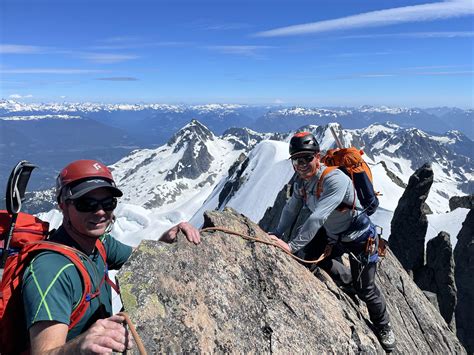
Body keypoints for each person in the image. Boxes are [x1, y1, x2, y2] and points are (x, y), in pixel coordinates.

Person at [22, 159, 201, 354]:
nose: (100, 212)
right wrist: (80, 345)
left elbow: (141, 260)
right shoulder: (51, 270)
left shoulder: (100, 244)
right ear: (62, 205)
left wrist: (166, 241)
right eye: (86, 203)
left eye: (108, 203)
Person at [267, 132, 396, 352]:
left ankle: (384, 326)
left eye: (307, 158)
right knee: (312, 261)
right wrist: (277, 233)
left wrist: (290, 246)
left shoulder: (334, 179)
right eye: (298, 159)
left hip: (359, 237)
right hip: (332, 234)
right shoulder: (302, 183)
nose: (303, 164)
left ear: (318, 156)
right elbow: (291, 210)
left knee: (367, 289)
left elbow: (317, 217)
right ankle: (348, 282)